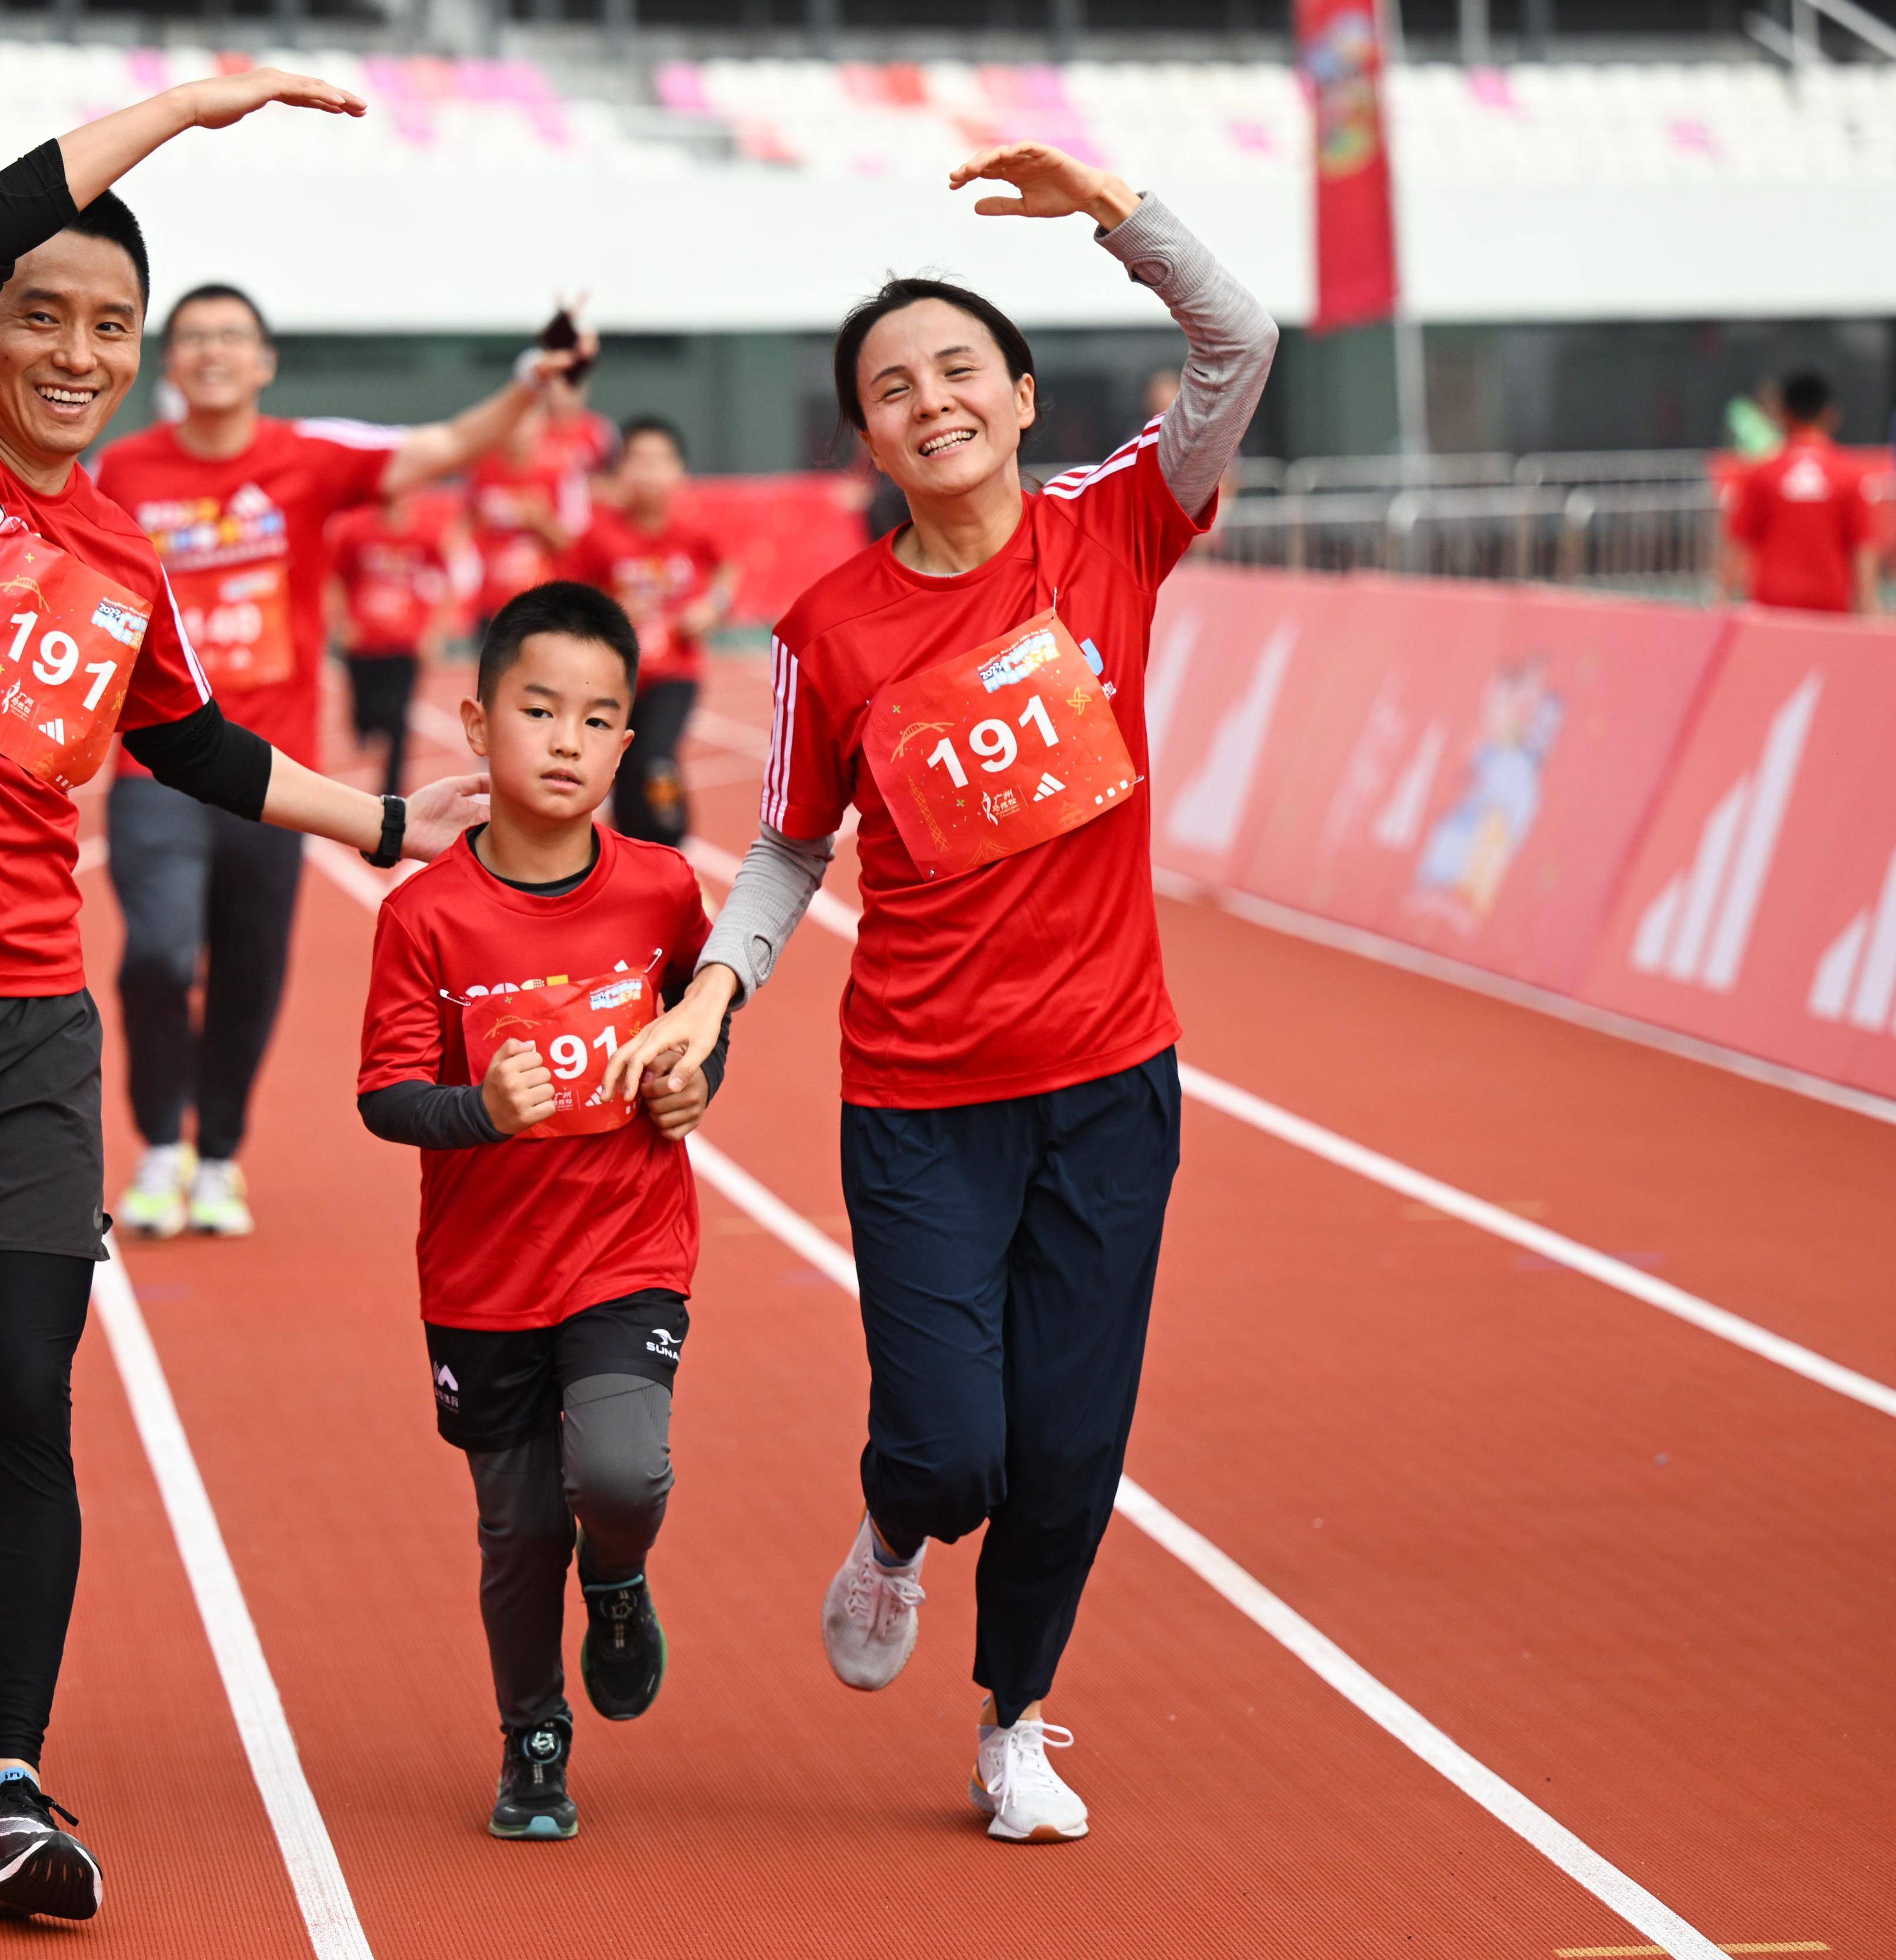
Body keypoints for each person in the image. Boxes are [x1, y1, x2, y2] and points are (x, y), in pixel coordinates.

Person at [0, 73, 484, 1922]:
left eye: (107, 329)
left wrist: (381, 816)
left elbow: (191, 743)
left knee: (32, 1404)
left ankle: (8, 1777)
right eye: (41, 315)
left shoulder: (123, 554)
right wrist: (191, 109)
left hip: (18, 1035)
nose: (75, 351)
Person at [605, 141, 1276, 1845]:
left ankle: (1016, 1720)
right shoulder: (828, 628)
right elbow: (783, 851)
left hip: (1113, 1083)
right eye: (892, 388)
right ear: (870, 439)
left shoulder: (1116, 529)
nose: (931, 400)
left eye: (959, 368)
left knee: (1068, 1445)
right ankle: (896, 1532)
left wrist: (1122, 213)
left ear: (1025, 393)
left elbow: (1242, 341)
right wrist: (711, 998)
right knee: (951, 1447)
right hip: (920, 1095)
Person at [92, 288, 584, 1241]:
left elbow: (441, 448)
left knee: (249, 968)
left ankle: (220, 1154)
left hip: (276, 776)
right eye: (193, 337)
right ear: (170, 362)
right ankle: (161, 1145)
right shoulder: (124, 470)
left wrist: (530, 381)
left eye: (233, 336)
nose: (213, 352)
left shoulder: (305, 457)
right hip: (156, 768)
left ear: (265, 361)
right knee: (156, 952)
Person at [357, 580, 723, 1841]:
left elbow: (696, 1027)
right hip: (480, 1276)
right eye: (538, 709)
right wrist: (480, 1112)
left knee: (620, 1469)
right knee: (515, 1528)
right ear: (475, 722)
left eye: (597, 718)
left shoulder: (666, 890)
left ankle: (616, 1579)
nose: (567, 741)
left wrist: (691, 1082)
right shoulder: (422, 916)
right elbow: (384, 1097)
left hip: (627, 1245)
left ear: (629, 741)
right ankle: (533, 1735)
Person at [562, 417, 735, 848]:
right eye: (638, 461)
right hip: (615, 679)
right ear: (620, 472)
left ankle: (675, 843)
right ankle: (633, 856)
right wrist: (608, 611)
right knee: (619, 772)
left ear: (680, 472)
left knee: (655, 759)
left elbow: (728, 573)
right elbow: (566, 600)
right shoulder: (597, 536)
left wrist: (709, 609)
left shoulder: (694, 529)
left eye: (661, 461)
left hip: (676, 672)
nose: (650, 472)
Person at [328, 488, 469, 799]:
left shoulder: (427, 536)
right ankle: (365, 725)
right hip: (364, 640)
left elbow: (447, 583)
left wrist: (435, 634)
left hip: (405, 643)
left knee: (398, 719)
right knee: (365, 716)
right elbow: (337, 576)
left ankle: (393, 793)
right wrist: (342, 623)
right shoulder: (356, 530)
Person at [466, 368, 614, 638]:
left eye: (526, 418)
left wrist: (541, 520)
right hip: (492, 597)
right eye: (511, 420)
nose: (518, 428)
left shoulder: (562, 469)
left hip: (543, 599)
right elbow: (468, 526)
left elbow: (576, 541)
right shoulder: (482, 469)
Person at [1722, 372, 1881, 615]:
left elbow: (1737, 542)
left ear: (1783, 415)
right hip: (1830, 612)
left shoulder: (1763, 475)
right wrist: (1869, 607)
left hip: (1772, 610)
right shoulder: (1851, 476)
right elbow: (1863, 547)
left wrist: (1721, 601)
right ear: (1830, 414)